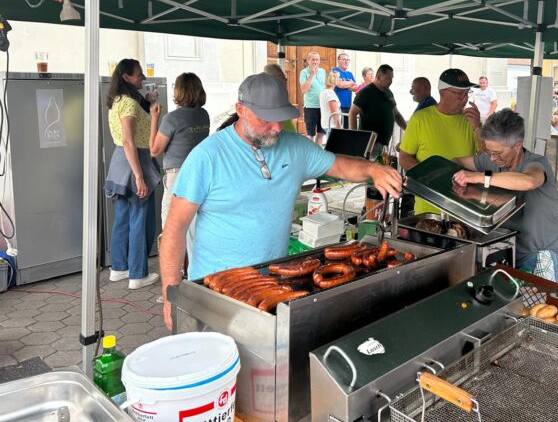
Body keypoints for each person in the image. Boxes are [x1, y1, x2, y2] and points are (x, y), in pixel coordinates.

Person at [160, 73, 402, 329]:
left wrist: (372, 170)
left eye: (280, 118)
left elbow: (340, 165)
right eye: (266, 119)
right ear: (240, 110)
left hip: (272, 285)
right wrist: (169, 295)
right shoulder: (207, 157)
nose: (277, 128)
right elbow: (174, 230)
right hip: (216, 290)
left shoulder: (295, 147)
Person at [453, 110, 558, 283]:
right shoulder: (493, 161)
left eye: (498, 153)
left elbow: (529, 181)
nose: (492, 158)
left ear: (517, 146)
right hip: (509, 253)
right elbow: (457, 161)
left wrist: (480, 177)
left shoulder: (536, 163)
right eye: (489, 152)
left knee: (543, 308)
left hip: (540, 255)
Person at [104, 59, 163, 290]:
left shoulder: (118, 101)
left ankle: (119, 268)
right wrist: (139, 176)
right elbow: (129, 140)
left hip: (120, 164)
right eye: (139, 74)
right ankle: (137, 274)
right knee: (140, 220)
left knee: (122, 219)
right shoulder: (128, 103)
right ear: (127, 77)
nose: (143, 78)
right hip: (134, 161)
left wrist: (148, 106)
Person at [399, 68, 481, 214]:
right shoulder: (420, 119)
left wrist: (478, 128)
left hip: (465, 208)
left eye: (467, 93)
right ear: (442, 92)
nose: (464, 99)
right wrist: (431, 178)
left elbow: (485, 158)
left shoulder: (470, 121)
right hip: (429, 208)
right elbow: (404, 158)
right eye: (459, 94)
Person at [149, 72, 209, 227]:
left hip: (178, 175)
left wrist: (154, 118)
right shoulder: (203, 115)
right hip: (199, 171)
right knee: (193, 221)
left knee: (170, 222)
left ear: (179, 91)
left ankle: (173, 252)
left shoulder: (172, 118)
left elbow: (154, 150)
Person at [349, 64, 407, 157]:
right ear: (379, 76)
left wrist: (407, 129)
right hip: (370, 143)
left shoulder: (388, 92)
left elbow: (396, 114)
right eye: (388, 78)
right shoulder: (366, 92)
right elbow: (352, 113)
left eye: (392, 78)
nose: (391, 81)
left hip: (384, 143)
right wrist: (355, 136)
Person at [299, 51, 326, 144]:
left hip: (322, 106)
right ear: (308, 61)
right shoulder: (304, 72)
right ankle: (310, 155)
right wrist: (311, 74)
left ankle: (318, 155)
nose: (315, 62)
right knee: (310, 134)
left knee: (321, 133)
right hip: (311, 107)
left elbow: (324, 86)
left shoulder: (323, 71)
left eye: (317, 59)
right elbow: (304, 90)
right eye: (313, 59)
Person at [332, 53, 356, 127]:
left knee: (347, 128)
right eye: (344, 59)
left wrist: (345, 84)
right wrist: (350, 83)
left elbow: (355, 88)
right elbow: (340, 85)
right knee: (339, 128)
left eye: (348, 60)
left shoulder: (350, 74)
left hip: (348, 105)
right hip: (338, 105)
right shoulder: (334, 71)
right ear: (338, 61)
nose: (346, 61)